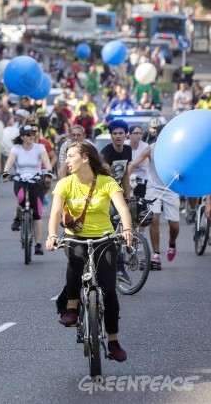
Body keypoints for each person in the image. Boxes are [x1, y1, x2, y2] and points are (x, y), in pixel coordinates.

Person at [46, 141, 133, 363]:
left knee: (110, 291)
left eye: (71, 156)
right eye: (66, 156)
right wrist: (52, 235)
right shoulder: (65, 184)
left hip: (104, 237)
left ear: (85, 158)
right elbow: (55, 213)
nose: (67, 161)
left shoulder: (107, 182)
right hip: (76, 237)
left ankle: (113, 341)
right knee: (75, 260)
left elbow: (122, 208)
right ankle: (72, 308)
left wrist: (126, 230)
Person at [127, 126, 181, 269]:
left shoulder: (176, 148)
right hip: (153, 188)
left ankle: (172, 243)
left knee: (174, 225)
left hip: (171, 188)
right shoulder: (151, 149)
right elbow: (134, 163)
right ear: (156, 135)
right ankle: (156, 254)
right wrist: (125, 177)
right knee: (154, 219)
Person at [3, 124, 53, 255]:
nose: (31, 136)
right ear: (22, 137)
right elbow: (10, 162)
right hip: (20, 179)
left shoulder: (39, 148)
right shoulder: (16, 148)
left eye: (32, 134)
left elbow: (46, 161)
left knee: (37, 212)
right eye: (28, 134)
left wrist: (49, 173)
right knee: (20, 199)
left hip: (36, 180)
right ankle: (18, 219)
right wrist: (5, 172)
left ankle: (38, 244)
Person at [100, 119, 131, 198]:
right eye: (115, 133)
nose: (118, 136)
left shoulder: (128, 149)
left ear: (126, 135)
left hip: (117, 191)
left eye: (121, 133)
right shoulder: (106, 152)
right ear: (111, 135)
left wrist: (128, 196)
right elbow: (107, 176)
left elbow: (125, 175)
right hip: (105, 192)